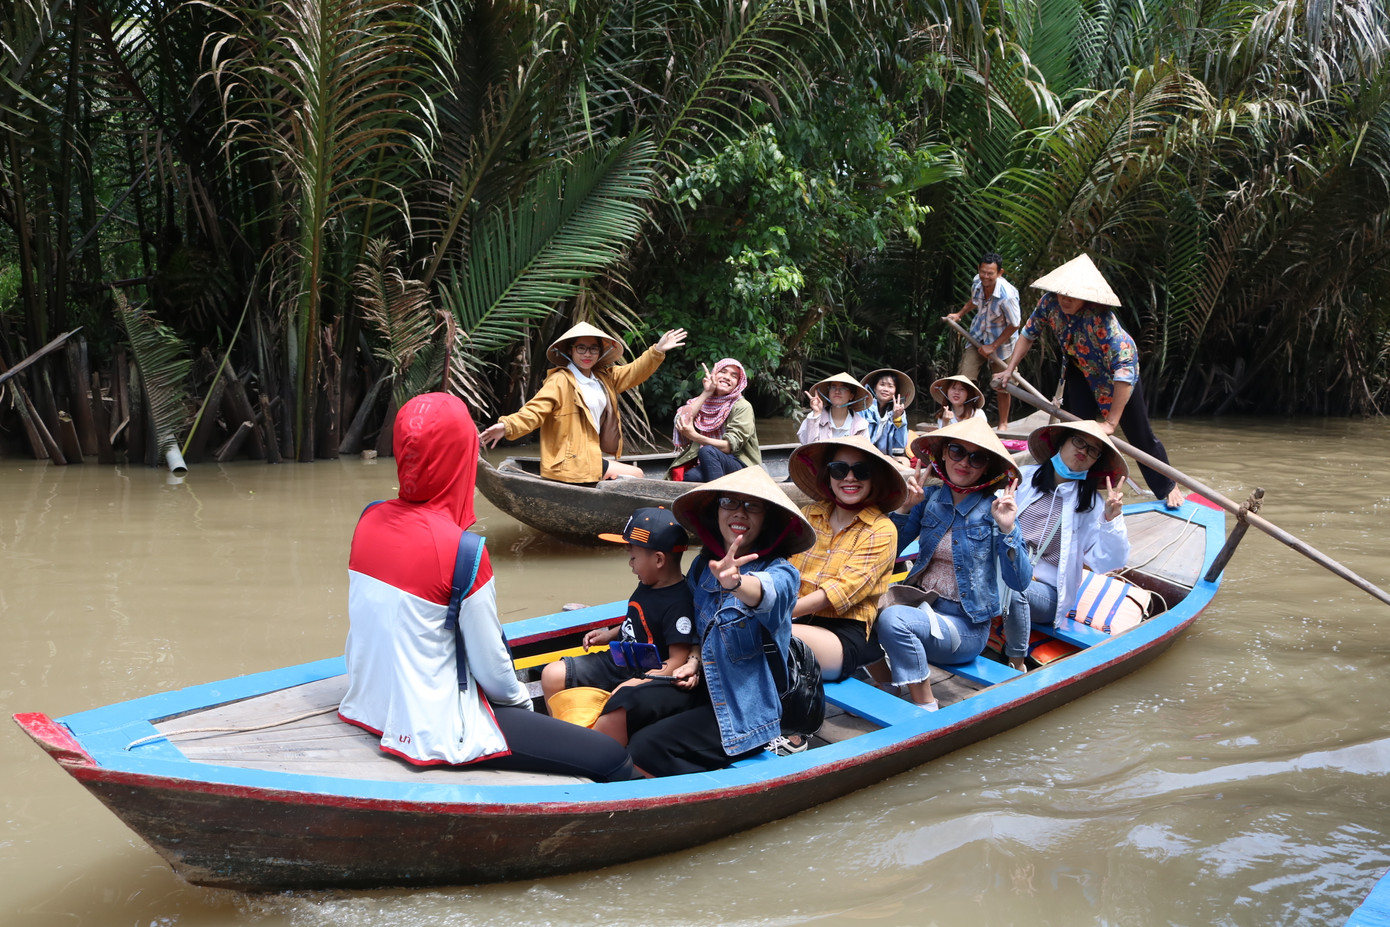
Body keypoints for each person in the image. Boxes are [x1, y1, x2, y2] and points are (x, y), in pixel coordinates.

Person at [339, 392, 636, 781]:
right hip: (438, 727)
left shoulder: (368, 519)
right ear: (461, 459)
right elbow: (494, 674)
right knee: (611, 758)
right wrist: (521, 708)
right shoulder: (463, 552)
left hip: (368, 705)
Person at [625, 466, 815, 777]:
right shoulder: (704, 565)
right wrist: (694, 661)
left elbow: (765, 593)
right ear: (717, 510)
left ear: (768, 518)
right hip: (706, 687)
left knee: (645, 747)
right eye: (730, 502)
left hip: (747, 709)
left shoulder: (783, 573)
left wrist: (736, 583)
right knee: (630, 704)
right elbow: (699, 632)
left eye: (753, 506)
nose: (740, 513)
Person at [992, 253, 1184, 509]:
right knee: (1076, 432)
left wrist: (1111, 422)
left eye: (1071, 296)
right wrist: (1009, 370)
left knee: (1141, 436)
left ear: (1086, 296)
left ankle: (1168, 486)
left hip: (1114, 379)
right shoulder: (1049, 303)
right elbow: (1028, 333)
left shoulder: (1103, 322)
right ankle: (1074, 487)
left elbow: (1124, 374)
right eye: (1061, 294)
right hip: (1079, 370)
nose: (1064, 300)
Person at [871, 416, 1031, 711]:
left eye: (977, 457)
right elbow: (886, 556)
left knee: (893, 620)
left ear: (988, 467)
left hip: (964, 627)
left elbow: (1019, 583)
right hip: (920, 608)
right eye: (957, 451)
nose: (964, 462)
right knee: (858, 608)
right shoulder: (928, 499)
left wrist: (1008, 529)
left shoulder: (995, 511)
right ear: (943, 453)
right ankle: (887, 685)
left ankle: (925, 705)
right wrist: (905, 508)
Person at [773, 436, 906, 753]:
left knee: (770, 634)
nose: (849, 477)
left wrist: (775, 614)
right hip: (802, 617)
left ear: (874, 478)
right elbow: (781, 566)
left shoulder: (881, 529)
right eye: (839, 468)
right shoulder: (811, 514)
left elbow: (840, 591)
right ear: (828, 475)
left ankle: (795, 734)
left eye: (861, 471)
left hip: (844, 632)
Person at [539, 507, 699, 746]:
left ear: (658, 559)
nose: (630, 564)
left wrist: (637, 682)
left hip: (647, 669)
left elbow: (677, 659)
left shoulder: (679, 604)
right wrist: (608, 635)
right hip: (620, 658)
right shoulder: (647, 582)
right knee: (551, 674)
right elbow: (635, 620)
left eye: (633, 557)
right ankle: (565, 739)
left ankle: (600, 747)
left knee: (621, 699)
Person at [480, 322, 687, 483]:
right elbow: (534, 412)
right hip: (572, 462)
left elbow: (634, 371)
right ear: (570, 350)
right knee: (638, 474)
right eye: (581, 348)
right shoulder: (560, 380)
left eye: (592, 349)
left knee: (633, 474)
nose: (587, 354)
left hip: (589, 458)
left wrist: (657, 351)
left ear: (600, 352)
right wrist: (506, 426)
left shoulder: (604, 378)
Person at [1002, 420, 1130, 669]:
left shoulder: (1093, 504)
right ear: (1061, 443)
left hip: (1046, 592)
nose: (1083, 451)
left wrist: (1111, 520)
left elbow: (1108, 562)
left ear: (1095, 462)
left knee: (1018, 590)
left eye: (1093, 450)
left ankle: (1016, 663)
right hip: (1004, 572)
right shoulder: (1024, 479)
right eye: (1078, 441)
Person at [945, 253, 1020, 430]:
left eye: (990, 273)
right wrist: (959, 314)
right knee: (964, 379)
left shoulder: (1006, 295)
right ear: (979, 269)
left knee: (1003, 384)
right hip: (978, 335)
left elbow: (1015, 324)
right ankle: (962, 419)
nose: (986, 276)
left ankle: (1003, 423)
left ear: (1000, 273)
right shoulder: (977, 282)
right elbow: (974, 300)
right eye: (983, 272)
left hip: (1003, 345)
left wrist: (993, 346)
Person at [668, 358, 762, 482]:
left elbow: (729, 446)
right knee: (690, 477)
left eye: (734, 376)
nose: (728, 377)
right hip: (711, 462)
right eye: (723, 372)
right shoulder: (702, 402)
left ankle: (721, 499)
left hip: (741, 465)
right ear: (714, 375)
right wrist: (707, 393)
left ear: (738, 383)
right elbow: (683, 422)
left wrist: (695, 436)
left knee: (707, 451)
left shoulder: (742, 406)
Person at [796, 372, 870, 443]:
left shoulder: (861, 425)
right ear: (829, 393)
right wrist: (816, 415)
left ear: (851, 396)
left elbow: (863, 453)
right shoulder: (814, 417)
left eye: (843, 388)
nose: (837, 391)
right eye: (833, 387)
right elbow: (807, 446)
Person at [859, 368, 914, 458]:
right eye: (882, 385)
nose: (886, 389)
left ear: (895, 392)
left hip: (884, 456)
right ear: (874, 387)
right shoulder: (863, 409)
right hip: (864, 454)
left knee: (905, 462)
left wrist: (897, 418)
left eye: (890, 386)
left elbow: (900, 445)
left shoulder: (895, 413)